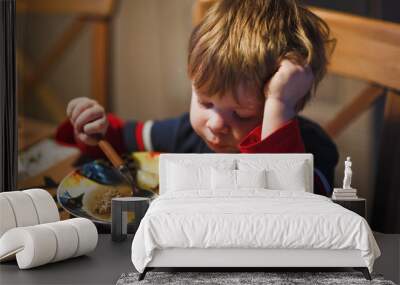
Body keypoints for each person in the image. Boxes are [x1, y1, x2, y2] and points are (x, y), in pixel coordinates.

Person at [56, 0, 338, 196]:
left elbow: (287, 205)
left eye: (241, 114)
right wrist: (95, 128)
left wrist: (279, 103)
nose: (215, 124)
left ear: (292, 101)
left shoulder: (314, 152)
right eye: (205, 102)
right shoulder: (187, 134)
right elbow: (123, 139)